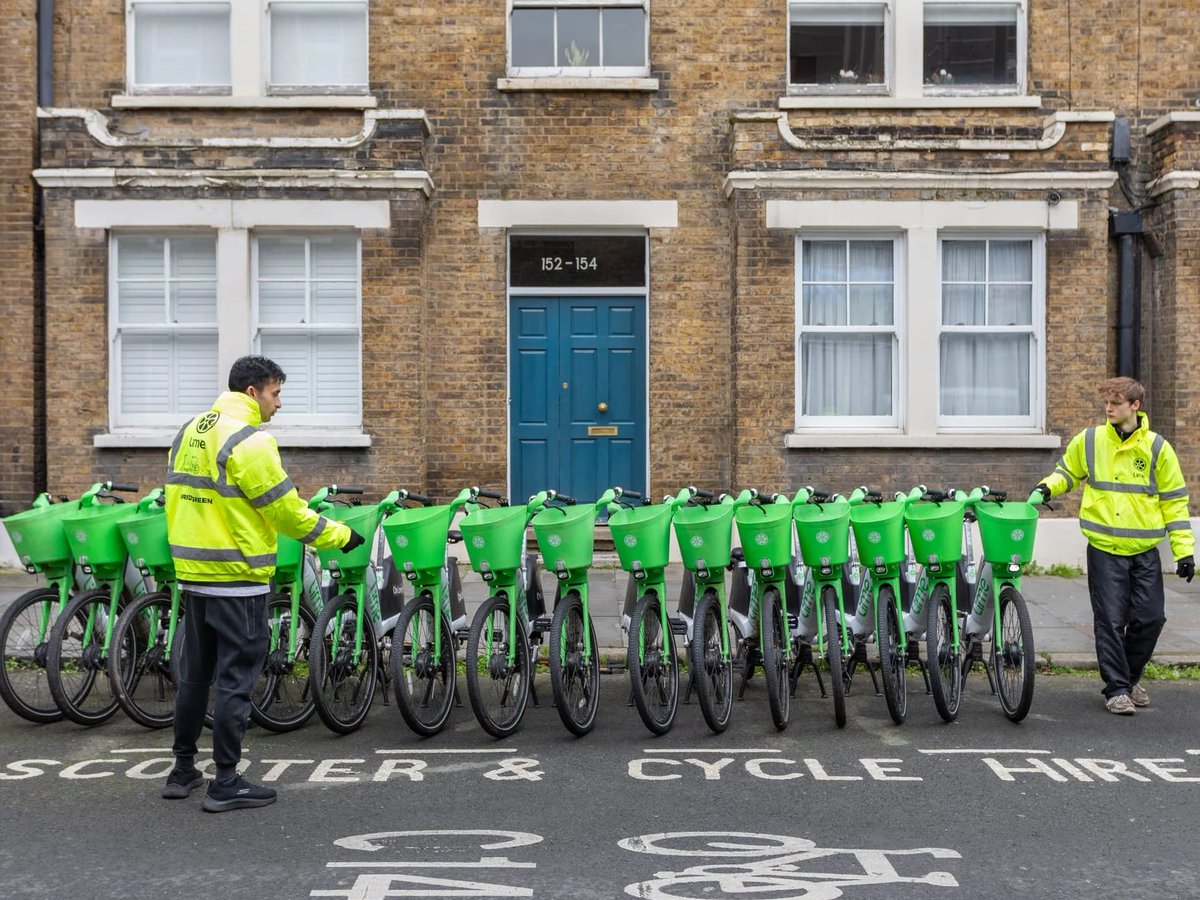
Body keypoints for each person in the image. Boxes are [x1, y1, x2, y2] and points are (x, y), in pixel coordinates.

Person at [163, 355, 364, 811]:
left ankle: (182, 770)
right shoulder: (250, 442)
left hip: (195, 575)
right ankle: (226, 781)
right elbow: (285, 511)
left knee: (195, 676)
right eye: (275, 393)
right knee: (236, 680)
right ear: (252, 392)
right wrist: (340, 536)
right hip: (238, 578)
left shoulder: (191, 430)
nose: (279, 403)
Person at [1033, 376, 1194, 716]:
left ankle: (1129, 677)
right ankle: (1118, 689)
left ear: (1135, 406)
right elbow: (1068, 472)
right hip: (1104, 549)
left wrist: (1184, 552)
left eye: (1117, 402)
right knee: (1109, 620)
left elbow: (1175, 503)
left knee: (1151, 619)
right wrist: (1048, 487)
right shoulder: (1090, 440)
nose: (1109, 407)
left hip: (1143, 551)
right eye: (1107, 401)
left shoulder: (1157, 448)